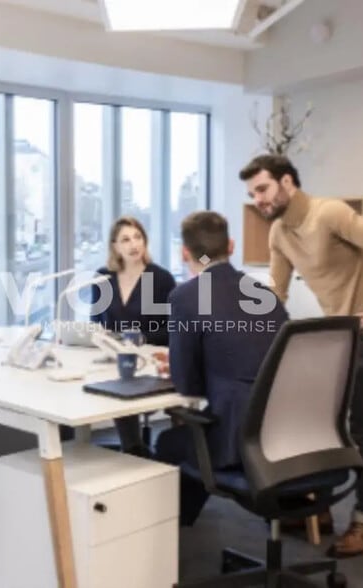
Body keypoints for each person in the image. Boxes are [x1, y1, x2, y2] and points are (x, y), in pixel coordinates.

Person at [240, 154, 363, 557]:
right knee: (319, 424)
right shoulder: (278, 231)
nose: (257, 199)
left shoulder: (328, 213)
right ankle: (321, 510)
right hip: (336, 338)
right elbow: (277, 293)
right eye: (251, 193)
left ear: (287, 182)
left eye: (262, 188)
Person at [154, 211, 288, 525]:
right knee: (191, 438)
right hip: (288, 435)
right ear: (231, 245)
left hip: (238, 443)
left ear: (184, 253)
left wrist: (177, 363)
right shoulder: (265, 294)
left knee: (168, 443)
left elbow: (187, 385)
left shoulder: (186, 297)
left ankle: (174, 531)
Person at [90, 216, 177, 455]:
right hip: (114, 357)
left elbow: (175, 328)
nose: (133, 244)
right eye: (125, 239)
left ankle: (136, 449)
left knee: (124, 381)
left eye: (138, 237)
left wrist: (143, 338)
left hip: (150, 358)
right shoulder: (103, 277)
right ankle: (131, 448)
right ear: (115, 246)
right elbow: (96, 322)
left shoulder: (160, 278)